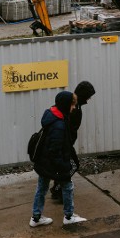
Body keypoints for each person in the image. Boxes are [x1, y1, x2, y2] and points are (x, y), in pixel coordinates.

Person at [30, 91, 87, 227]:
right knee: (68, 186)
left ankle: (36, 218)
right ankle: (69, 216)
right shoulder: (59, 125)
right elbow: (55, 150)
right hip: (54, 163)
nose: (73, 108)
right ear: (66, 105)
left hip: (44, 162)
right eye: (72, 105)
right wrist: (64, 166)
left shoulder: (53, 115)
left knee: (42, 188)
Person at [51, 81, 96, 202]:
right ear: (83, 95)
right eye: (89, 95)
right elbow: (68, 129)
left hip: (63, 143)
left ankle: (57, 190)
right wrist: (67, 146)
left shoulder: (71, 104)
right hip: (64, 144)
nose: (90, 98)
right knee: (73, 165)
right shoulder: (75, 109)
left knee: (65, 167)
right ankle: (57, 189)